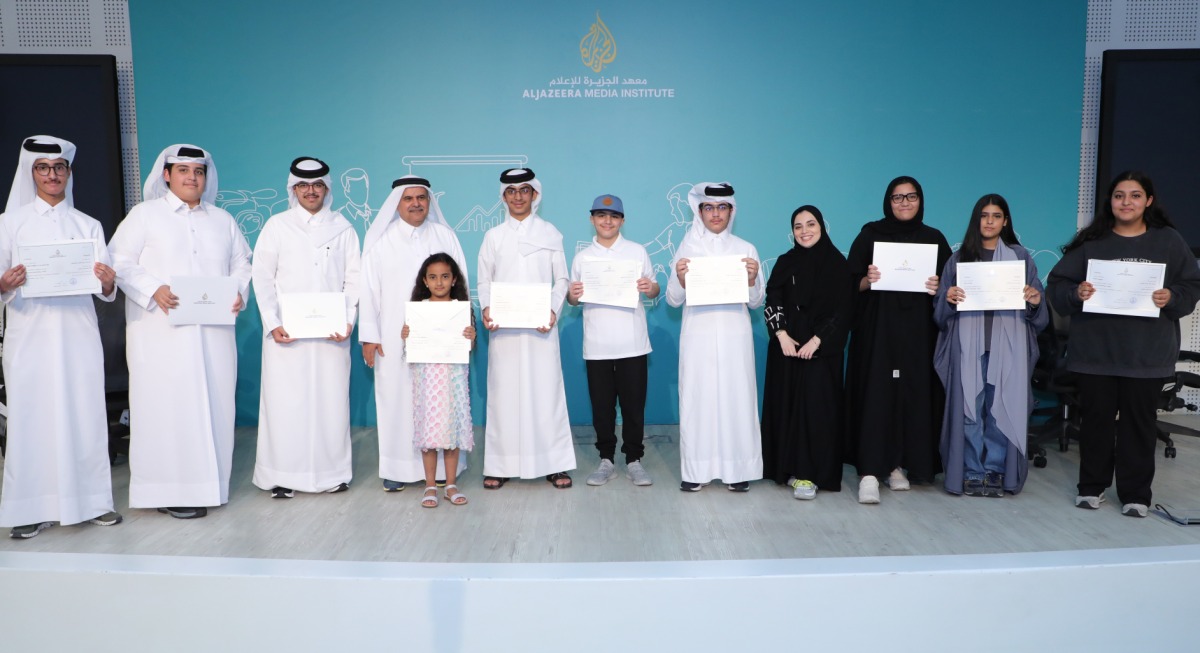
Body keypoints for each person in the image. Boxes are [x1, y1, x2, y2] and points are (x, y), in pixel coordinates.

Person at [108, 144, 252, 519]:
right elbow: (117, 261)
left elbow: (242, 264)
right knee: (165, 408)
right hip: (160, 334)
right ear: (166, 174)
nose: (192, 177)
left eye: (199, 171)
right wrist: (153, 287)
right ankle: (167, 489)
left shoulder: (222, 220)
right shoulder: (144, 215)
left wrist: (238, 292)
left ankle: (209, 486)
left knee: (214, 404)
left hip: (214, 335)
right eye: (184, 170)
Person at [1047, 171, 1200, 518]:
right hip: (1096, 352)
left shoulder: (1169, 241)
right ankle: (1091, 487)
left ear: (1148, 201)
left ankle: (1135, 494)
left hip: (1146, 354)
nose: (1126, 202)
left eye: (1134, 195)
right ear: (1110, 202)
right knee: (1097, 423)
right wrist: (1077, 292)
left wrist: (1171, 296)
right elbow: (1058, 283)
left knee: (1139, 425)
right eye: (1119, 195)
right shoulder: (1093, 241)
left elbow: (1191, 286)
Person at [0, 135, 122, 538]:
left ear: (69, 172)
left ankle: (92, 503)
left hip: (78, 336)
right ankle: (28, 510)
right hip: (29, 336)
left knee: (84, 414)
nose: (53, 175)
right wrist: (4, 284)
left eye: (59, 167)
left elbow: (106, 291)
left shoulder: (88, 224)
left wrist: (107, 283)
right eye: (43, 168)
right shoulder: (9, 224)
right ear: (31, 173)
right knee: (31, 419)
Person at [251, 157, 360, 498]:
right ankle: (282, 476)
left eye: (317, 186)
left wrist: (348, 320)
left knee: (331, 403)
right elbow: (262, 277)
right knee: (286, 403)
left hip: (331, 335)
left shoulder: (343, 227)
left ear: (326, 189)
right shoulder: (277, 226)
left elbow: (354, 278)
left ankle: (332, 474)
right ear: (293, 189)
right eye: (303, 186)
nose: (310, 191)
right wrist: (273, 322)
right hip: (288, 335)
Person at [845, 176, 951, 504]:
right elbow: (847, 284)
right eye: (897, 198)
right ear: (887, 202)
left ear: (921, 200)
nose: (904, 203)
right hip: (878, 334)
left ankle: (900, 465)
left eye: (911, 197)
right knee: (877, 395)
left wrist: (939, 289)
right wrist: (867, 279)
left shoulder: (934, 238)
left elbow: (951, 289)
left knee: (912, 395)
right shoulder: (870, 235)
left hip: (919, 334)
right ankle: (870, 471)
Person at [934, 194, 1048, 497]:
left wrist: (1035, 301)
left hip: (1007, 349)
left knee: (1001, 411)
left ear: (1005, 221)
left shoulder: (1020, 257)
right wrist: (948, 299)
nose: (989, 221)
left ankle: (996, 471)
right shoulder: (959, 259)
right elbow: (939, 313)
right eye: (984, 215)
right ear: (976, 219)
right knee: (970, 411)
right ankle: (972, 470)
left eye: (996, 216)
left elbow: (1039, 316)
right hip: (967, 348)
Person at [360, 176, 468, 492]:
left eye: (421, 197)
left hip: (443, 343)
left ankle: (449, 472)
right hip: (394, 339)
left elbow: (460, 289)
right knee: (396, 399)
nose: (416, 203)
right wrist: (369, 335)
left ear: (429, 201)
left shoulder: (445, 236)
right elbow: (367, 291)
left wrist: (464, 331)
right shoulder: (381, 239)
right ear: (397, 203)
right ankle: (398, 467)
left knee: (444, 403)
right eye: (408, 199)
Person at [477, 168, 575, 489]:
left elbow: (562, 279)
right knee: (503, 394)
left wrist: (552, 309)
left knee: (545, 393)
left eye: (524, 190)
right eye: (511, 191)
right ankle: (500, 465)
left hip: (540, 327)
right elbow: (484, 280)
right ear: (503, 197)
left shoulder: (550, 232)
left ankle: (554, 463)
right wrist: (488, 307)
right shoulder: (493, 236)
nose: (518, 196)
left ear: (535, 194)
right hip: (504, 330)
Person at [666, 182, 764, 492]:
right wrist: (681, 280)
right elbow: (671, 299)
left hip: (736, 337)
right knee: (699, 399)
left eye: (722, 207)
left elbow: (756, 301)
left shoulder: (746, 248)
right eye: (708, 207)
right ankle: (697, 470)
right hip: (698, 336)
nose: (716, 213)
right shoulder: (687, 247)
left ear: (731, 210)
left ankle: (738, 470)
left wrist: (751, 279)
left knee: (737, 399)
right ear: (700, 211)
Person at [760, 205, 852, 500]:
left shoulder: (838, 264)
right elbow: (772, 297)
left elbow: (844, 309)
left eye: (810, 224)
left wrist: (818, 340)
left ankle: (809, 474)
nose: (804, 231)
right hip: (786, 350)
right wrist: (782, 334)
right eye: (798, 226)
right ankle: (785, 468)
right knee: (786, 405)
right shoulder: (786, 262)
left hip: (820, 353)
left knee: (815, 411)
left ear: (822, 227)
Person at [566, 194, 658, 487]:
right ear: (592, 219)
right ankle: (606, 460)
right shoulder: (582, 257)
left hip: (633, 343)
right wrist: (573, 295)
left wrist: (650, 287)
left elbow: (655, 290)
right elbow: (573, 300)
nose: (608, 221)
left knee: (634, 406)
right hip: (597, 346)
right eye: (601, 215)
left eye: (614, 216)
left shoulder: (636, 252)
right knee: (602, 407)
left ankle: (634, 460)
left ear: (622, 220)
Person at [401, 253, 476, 507]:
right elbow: (409, 345)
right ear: (425, 280)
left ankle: (451, 484)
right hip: (427, 379)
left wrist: (470, 335)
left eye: (445, 276)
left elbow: (470, 345)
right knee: (429, 432)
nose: (439, 282)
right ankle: (430, 485)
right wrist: (406, 335)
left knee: (452, 431)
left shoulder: (460, 309)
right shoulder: (418, 311)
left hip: (452, 378)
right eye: (433, 277)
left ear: (454, 279)